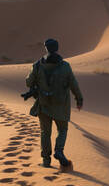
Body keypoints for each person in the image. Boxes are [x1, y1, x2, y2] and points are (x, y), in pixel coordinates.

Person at [25, 38, 83, 168]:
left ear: (46, 48)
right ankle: (59, 151)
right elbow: (74, 84)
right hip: (61, 106)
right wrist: (79, 99)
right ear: (57, 48)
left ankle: (46, 161)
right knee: (62, 129)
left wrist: (34, 77)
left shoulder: (37, 65)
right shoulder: (65, 66)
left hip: (44, 105)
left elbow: (28, 82)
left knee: (45, 133)